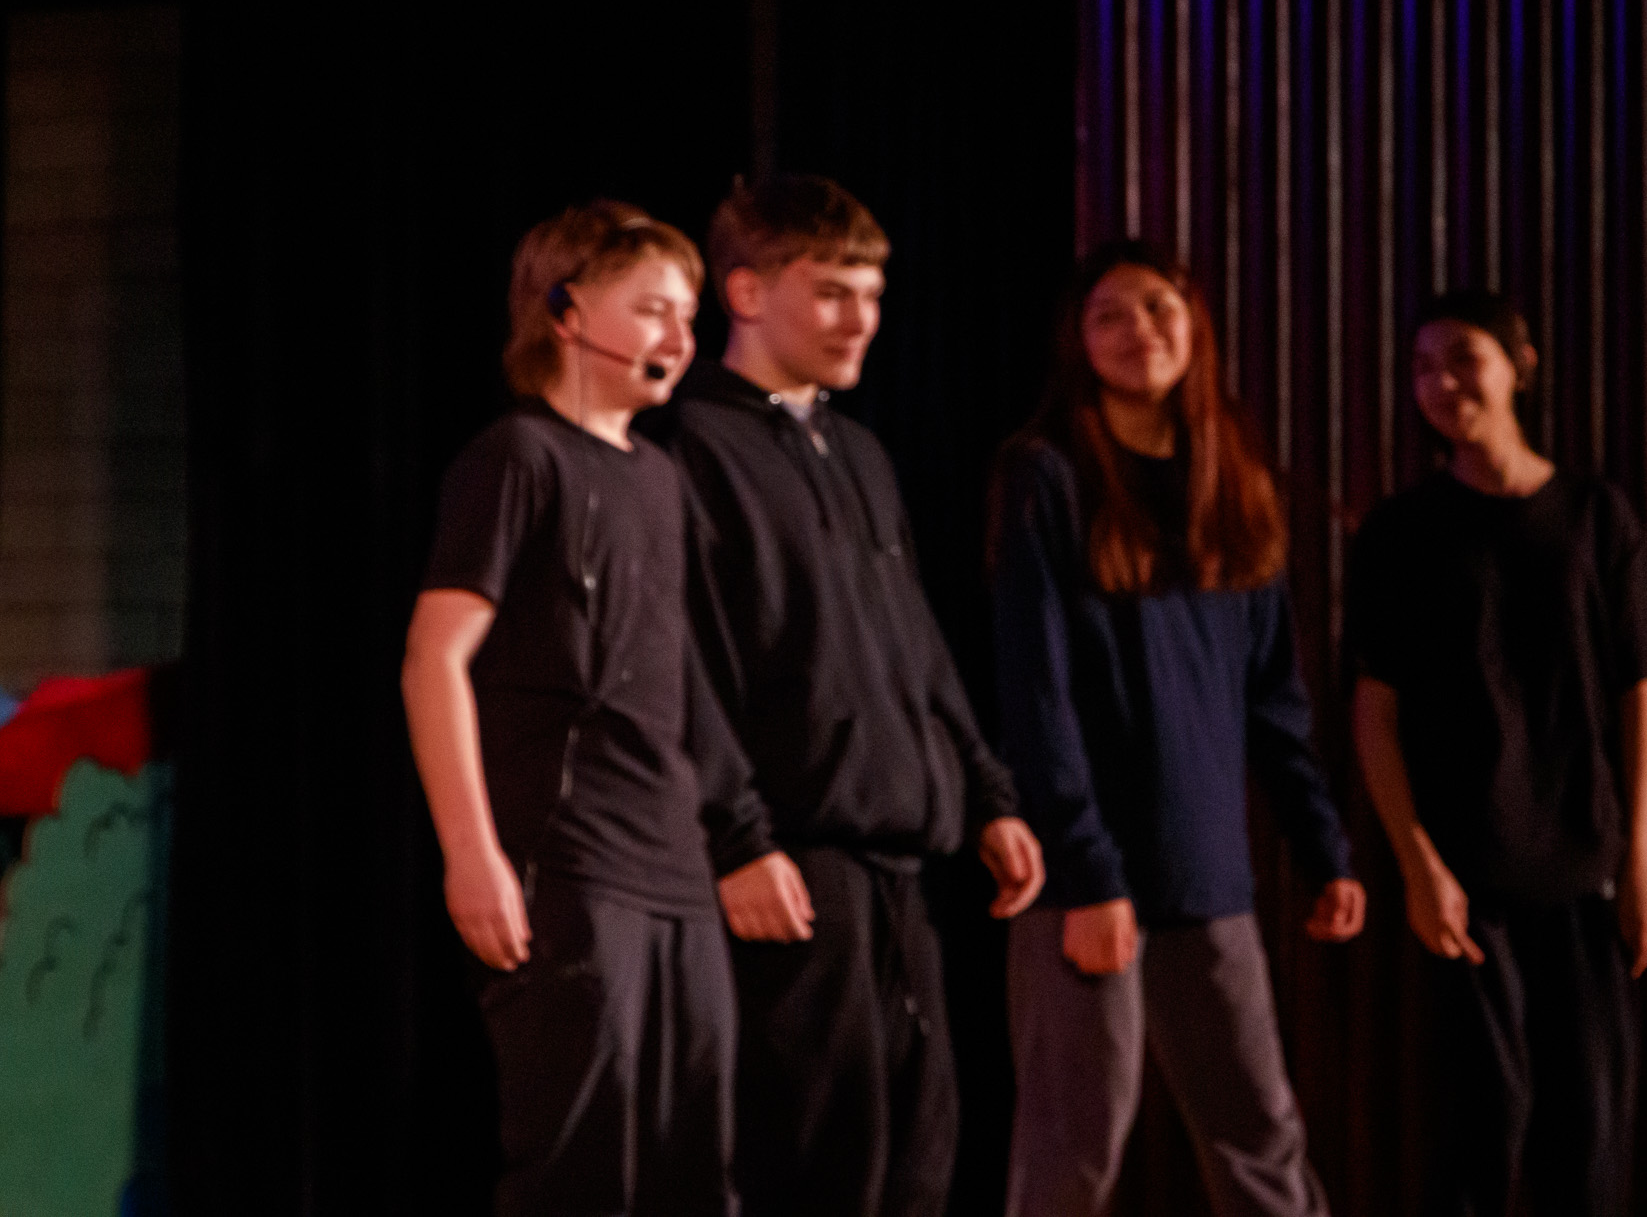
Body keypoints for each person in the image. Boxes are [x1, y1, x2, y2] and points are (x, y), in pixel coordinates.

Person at [646, 173, 1045, 1217]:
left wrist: (986, 792)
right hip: (791, 859)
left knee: (917, 1155)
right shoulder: (689, 449)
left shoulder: (859, 451)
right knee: (814, 1162)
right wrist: (737, 838)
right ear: (744, 292)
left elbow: (913, 641)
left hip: (898, 866)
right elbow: (682, 663)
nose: (860, 318)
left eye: (870, 294)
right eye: (829, 292)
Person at [990, 240, 1366, 1217]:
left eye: (1156, 307)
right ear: (1077, 342)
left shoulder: (1231, 478)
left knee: (1261, 1140)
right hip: (1086, 877)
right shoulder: (1047, 475)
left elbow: (1272, 698)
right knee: (1073, 1152)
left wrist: (1322, 848)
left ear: (1194, 324)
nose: (1137, 331)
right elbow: (1036, 693)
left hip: (1204, 872)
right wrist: (1086, 872)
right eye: (1108, 315)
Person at [400, 200, 738, 1216]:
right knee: (584, 1168)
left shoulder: (661, 478)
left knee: (693, 1159)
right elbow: (433, 660)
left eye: (688, 316)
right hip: (571, 859)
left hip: (673, 863)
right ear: (565, 312)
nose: (679, 337)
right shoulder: (518, 456)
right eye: (652, 310)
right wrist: (472, 853)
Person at [1344, 290, 1647, 1217]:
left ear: (1520, 366)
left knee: (1590, 1130)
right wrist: (1417, 863)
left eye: (1464, 358)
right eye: (1423, 367)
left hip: (1584, 866)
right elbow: (1373, 713)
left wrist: (1643, 859)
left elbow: (1638, 697)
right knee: (1480, 1127)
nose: (1443, 384)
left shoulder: (1597, 516)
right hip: (1465, 874)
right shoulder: (1402, 531)